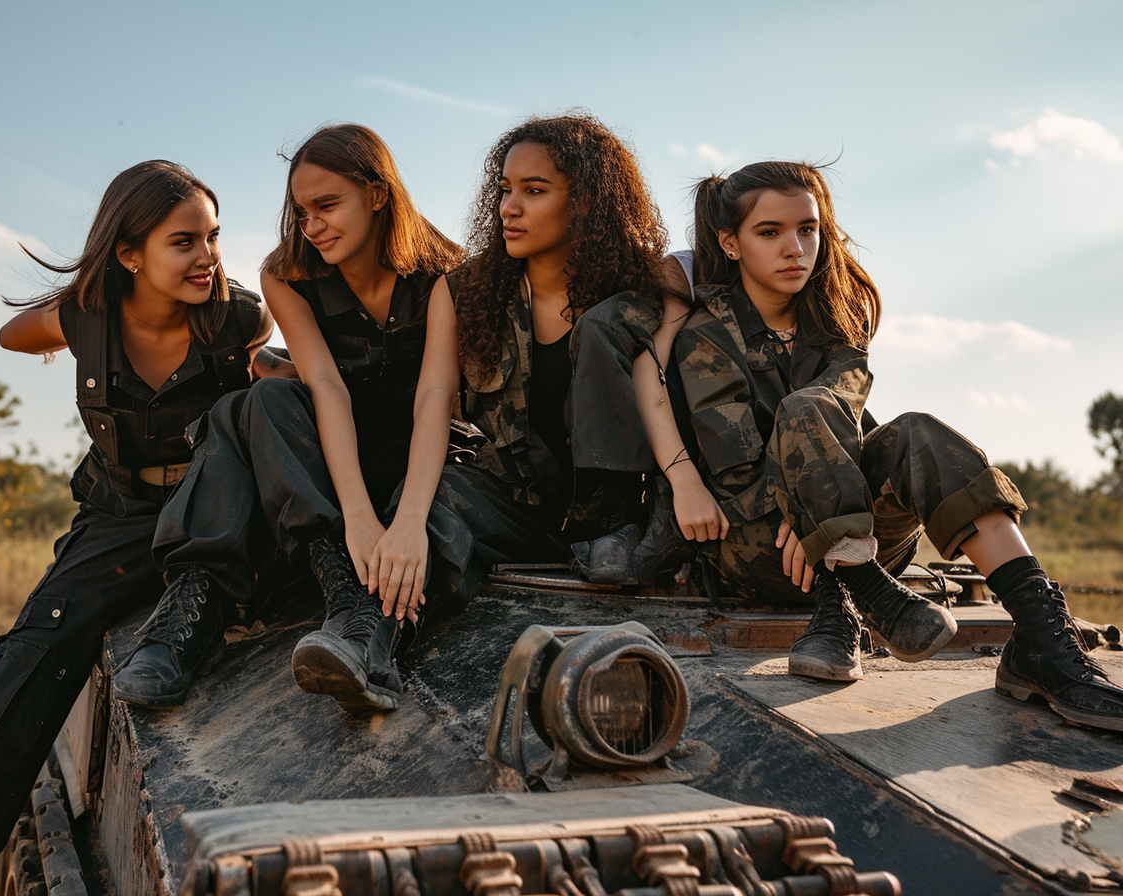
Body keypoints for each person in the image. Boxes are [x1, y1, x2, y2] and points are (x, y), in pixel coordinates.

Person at [0, 161, 270, 895]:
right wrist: (77, 326)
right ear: (129, 256)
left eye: (213, 236)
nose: (207, 256)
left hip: (219, 520)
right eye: (184, 242)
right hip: (117, 522)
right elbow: (15, 331)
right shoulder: (89, 314)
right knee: (2, 702)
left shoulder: (239, 317)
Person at [667, 159, 1122, 732]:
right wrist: (804, 509)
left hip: (846, 538)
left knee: (917, 430)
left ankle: (1042, 642)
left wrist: (818, 512)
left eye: (808, 230)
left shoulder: (836, 325)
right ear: (730, 244)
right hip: (754, 544)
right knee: (804, 408)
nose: (794, 248)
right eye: (770, 232)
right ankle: (861, 600)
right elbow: (734, 473)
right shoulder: (705, 336)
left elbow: (847, 433)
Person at [112, 124, 463, 715]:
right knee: (252, 404)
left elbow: (436, 396)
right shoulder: (287, 274)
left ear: (378, 194)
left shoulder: (447, 274)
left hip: (416, 459)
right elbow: (325, 386)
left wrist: (404, 525)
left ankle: (354, 619)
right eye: (302, 212)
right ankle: (203, 604)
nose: (312, 225)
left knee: (247, 407)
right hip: (324, 461)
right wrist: (354, 520)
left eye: (327, 205)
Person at [411, 113, 723, 596]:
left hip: (631, 531)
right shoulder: (463, 293)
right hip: (525, 507)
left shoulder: (644, 287)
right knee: (431, 510)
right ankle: (364, 644)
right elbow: (433, 400)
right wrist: (408, 520)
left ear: (585, 203)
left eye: (534, 191)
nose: (509, 208)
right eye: (504, 189)